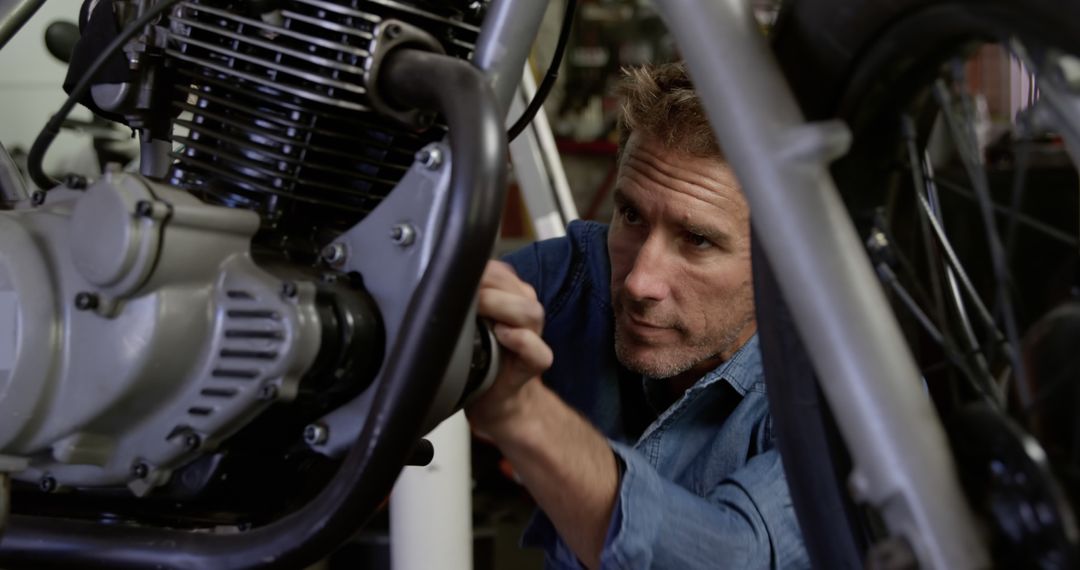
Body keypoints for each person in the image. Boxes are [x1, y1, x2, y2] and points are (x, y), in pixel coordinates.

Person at [466, 62, 809, 569]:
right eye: (630, 215)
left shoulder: (840, 397)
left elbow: (733, 555)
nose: (638, 282)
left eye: (696, 240)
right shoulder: (574, 279)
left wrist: (523, 413)